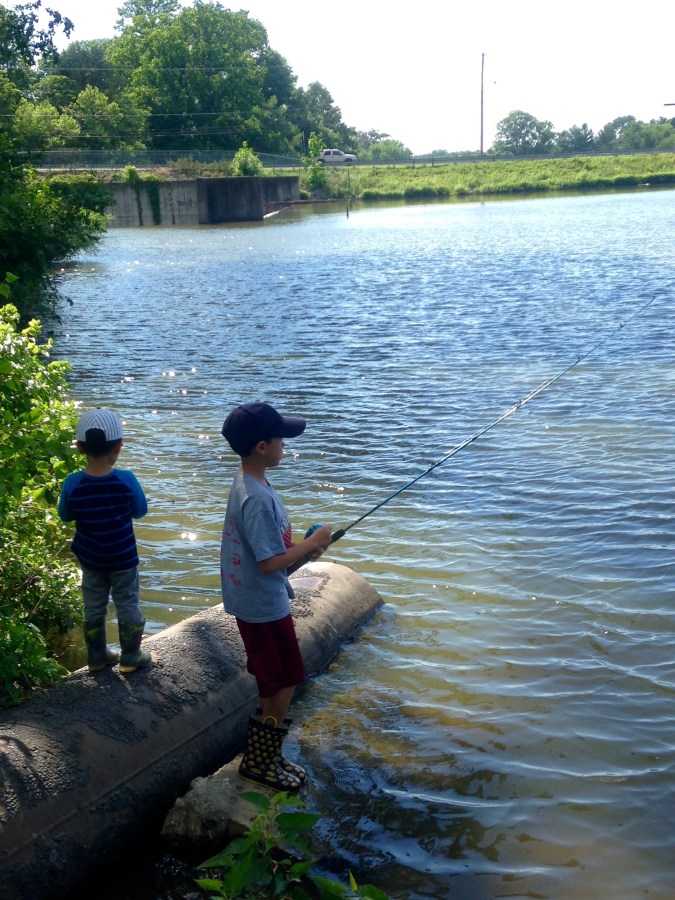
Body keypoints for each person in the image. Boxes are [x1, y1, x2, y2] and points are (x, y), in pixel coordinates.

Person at [220, 401, 332, 791]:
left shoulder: (253, 484)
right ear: (262, 447)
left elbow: (269, 555)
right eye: (281, 439)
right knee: (285, 679)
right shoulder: (256, 497)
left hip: (260, 598)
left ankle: (265, 755)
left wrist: (303, 551)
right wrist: (312, 543)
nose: (285, 445)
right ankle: (260, 762)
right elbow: (268, 563)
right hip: (262, 606)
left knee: (276, 679)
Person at [58, 407, 151, 674]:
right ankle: (130, 656)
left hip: (91, 559)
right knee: (128, 602)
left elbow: (65, 515)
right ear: (118, 447)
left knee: (94, 605)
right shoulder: (126, 480)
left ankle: (97, 656)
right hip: (123, 558)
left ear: (80, 447)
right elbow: (140, 511)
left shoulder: (73, 483)